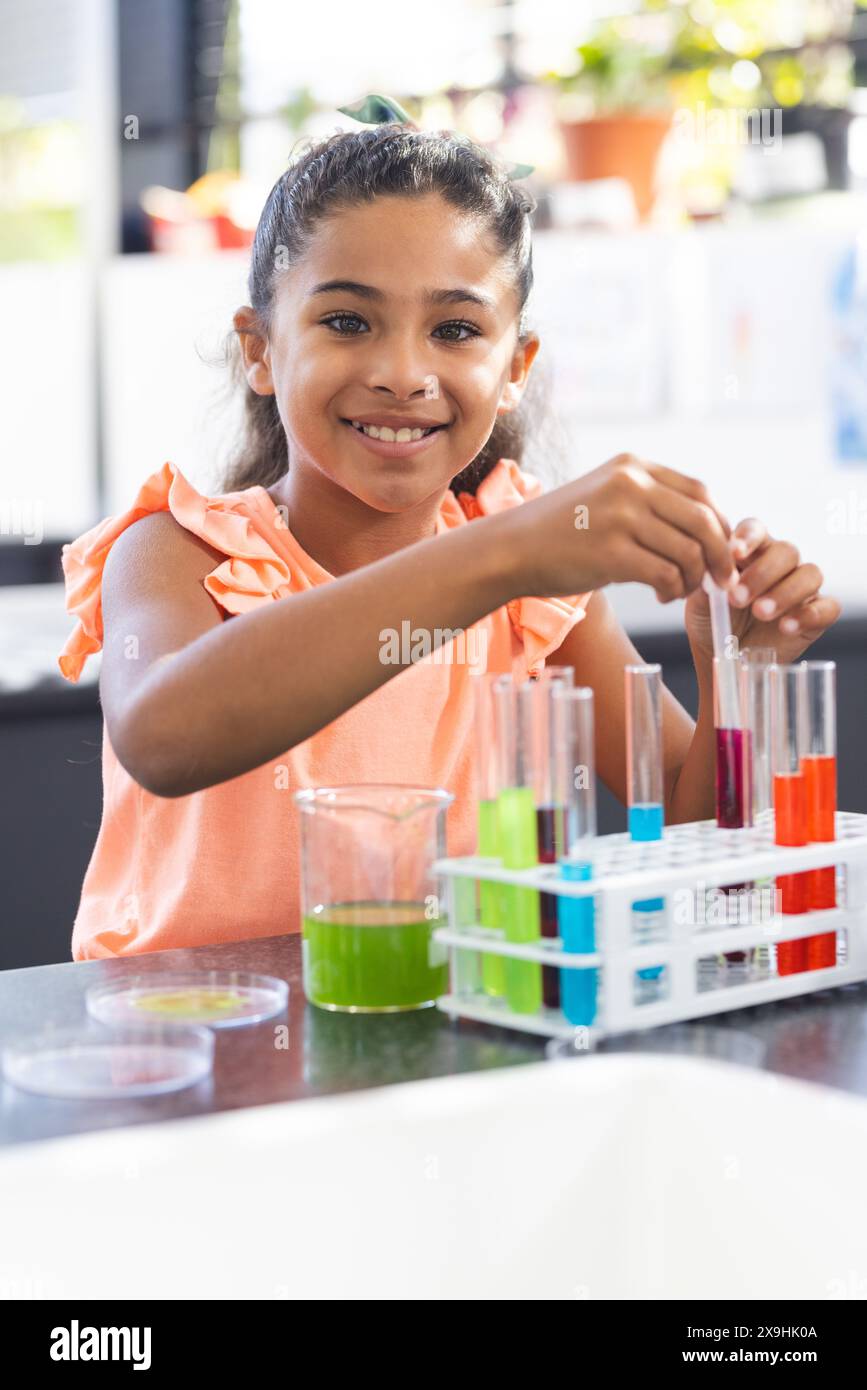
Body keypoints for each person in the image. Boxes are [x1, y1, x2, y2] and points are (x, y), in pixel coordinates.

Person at [58, 111, 840, 960]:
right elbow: (164, 740)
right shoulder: (177, 551)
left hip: (446, 1048)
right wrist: (502, 554)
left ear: (514, 369)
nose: (402, 373)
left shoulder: (535, 593)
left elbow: (693, 851)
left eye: (456, 330)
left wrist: (741, 672)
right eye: (347, 322)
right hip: (203, 1054)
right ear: (259, 350)